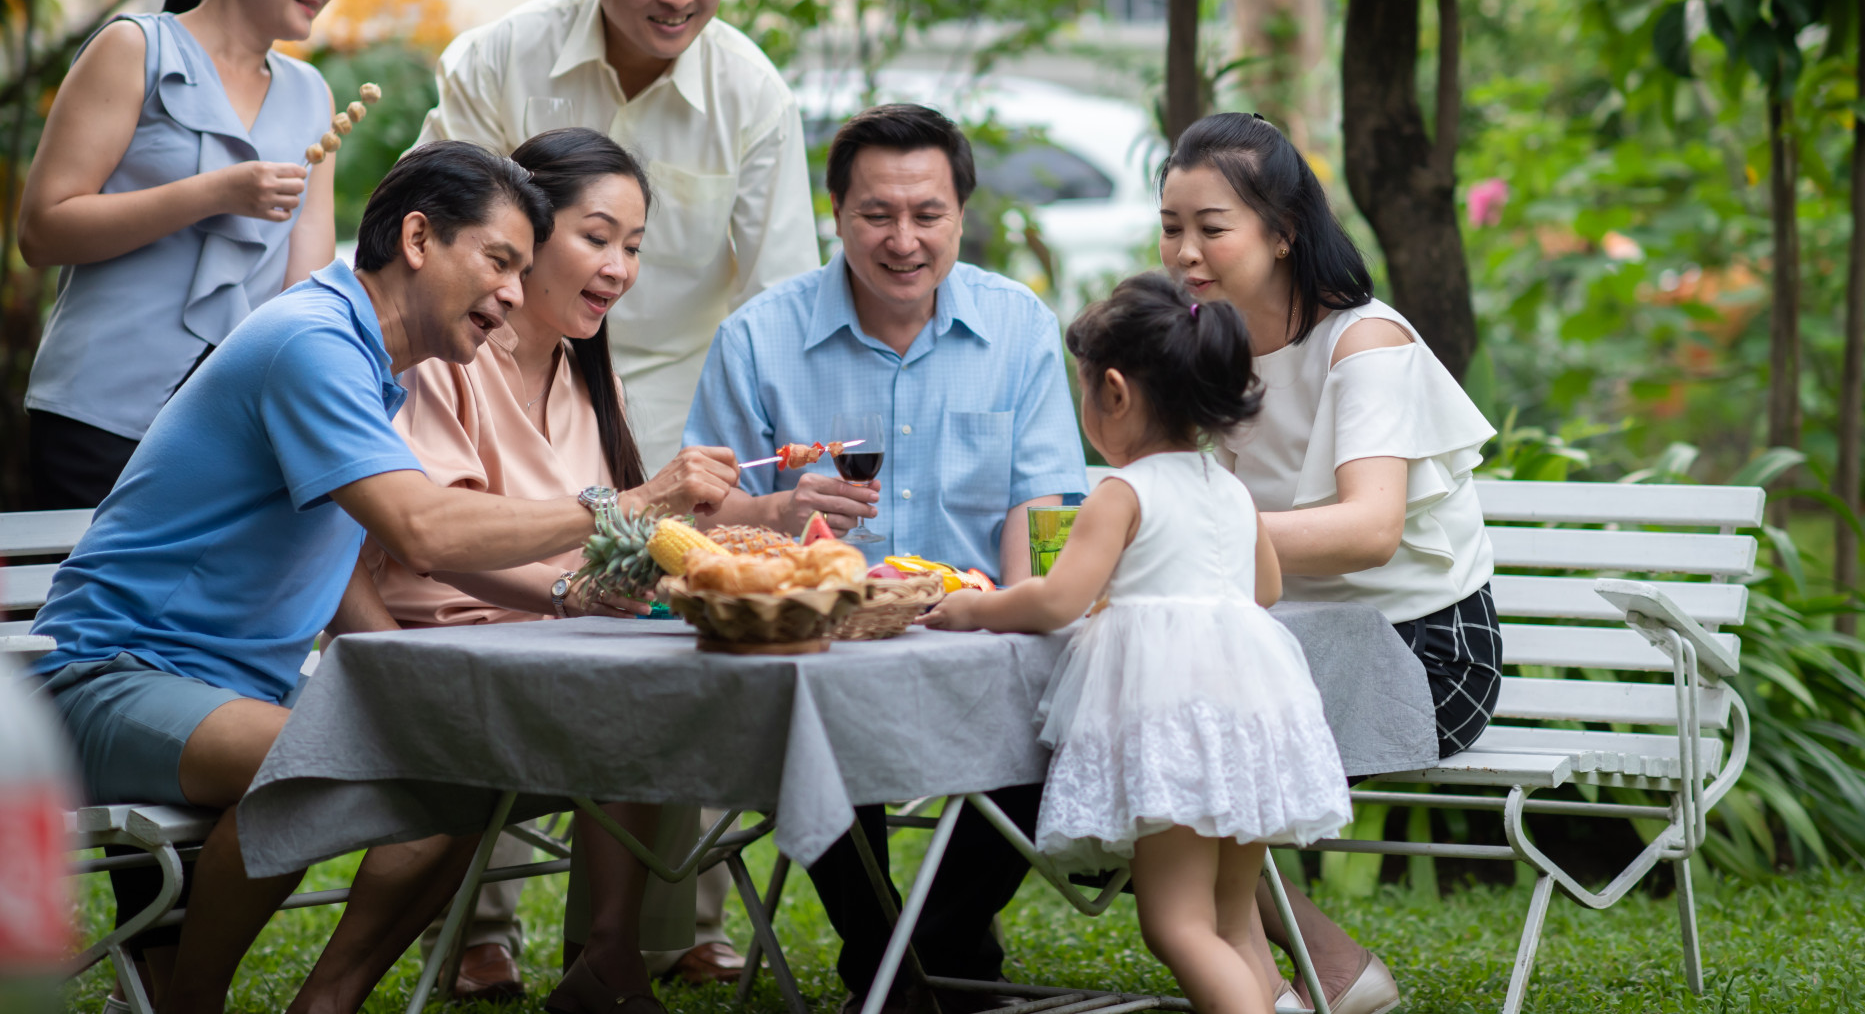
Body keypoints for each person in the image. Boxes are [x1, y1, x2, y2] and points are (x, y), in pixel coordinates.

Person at [27, 142, 739, 1014]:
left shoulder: (376, 365)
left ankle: (326, 1002)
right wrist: (623, 503)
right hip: (108, 677)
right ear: (417, 238)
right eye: (500, 260)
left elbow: (339, 560)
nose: (514, 292)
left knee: (464, 764)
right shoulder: (314, 341)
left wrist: (557, 595)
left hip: (237, 688)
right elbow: (423, 526)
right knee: (328, 760)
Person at [682, 103, 1086, 1012]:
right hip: (820, 631)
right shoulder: (759, 336)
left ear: (961, 213)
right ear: (837, 213)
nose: (904, 240)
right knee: (807, 711)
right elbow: (705, 516)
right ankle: (903, 963)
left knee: (1053, 693)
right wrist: (783, 507)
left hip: (973, 622)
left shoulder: (1017, 326)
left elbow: (1044, 498)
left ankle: (920, 954)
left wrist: (1020, 614)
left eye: (927, 214)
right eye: (877, 214)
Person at [356, 129, 729, 1000]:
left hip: (556, 634)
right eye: (597, 237)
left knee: (679, 674)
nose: (619, 267)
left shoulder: (591, 373)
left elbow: (605, 546)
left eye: (633, 247)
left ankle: (613, 949)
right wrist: (577, 593)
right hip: (443, 633)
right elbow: (436, 545)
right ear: (525, 239)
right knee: (638, 689)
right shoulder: (443, 354)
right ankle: (583, 951)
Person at [926, 272, 1352, 1014]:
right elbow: (1266, 589)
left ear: (1114, 392)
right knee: (1230, 919)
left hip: (1176, 722)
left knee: (1175, 923)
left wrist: (976, 607)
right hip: (1249, 719)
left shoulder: (1122, 492)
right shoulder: (1226, 485)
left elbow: (1057, 597)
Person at [1159, 112, 1503, 1014]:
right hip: (1292, 639)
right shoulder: (1215, 346)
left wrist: (1192, 533)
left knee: (1174, 737)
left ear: (1282, 232)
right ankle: (1316, 977)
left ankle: (1287, 982)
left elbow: (1369, 529)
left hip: (1424, 655)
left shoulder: (1365, 343)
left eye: (1211, 227)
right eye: (1172, 226)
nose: (1186, 251)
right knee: (1149, 727)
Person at [414, 0, 820, 469]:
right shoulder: (502, 57)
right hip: (495, 380)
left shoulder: (753, 96)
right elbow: (439, 230)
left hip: (671, 410)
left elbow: (778, 291)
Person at [20, 0, 344, 510]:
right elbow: (42, 230)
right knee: (88, 611)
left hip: (233, 434)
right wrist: (216, 193)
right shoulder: (135, 49)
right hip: (98, 417)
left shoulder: (312, 96)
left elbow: (302, 295)